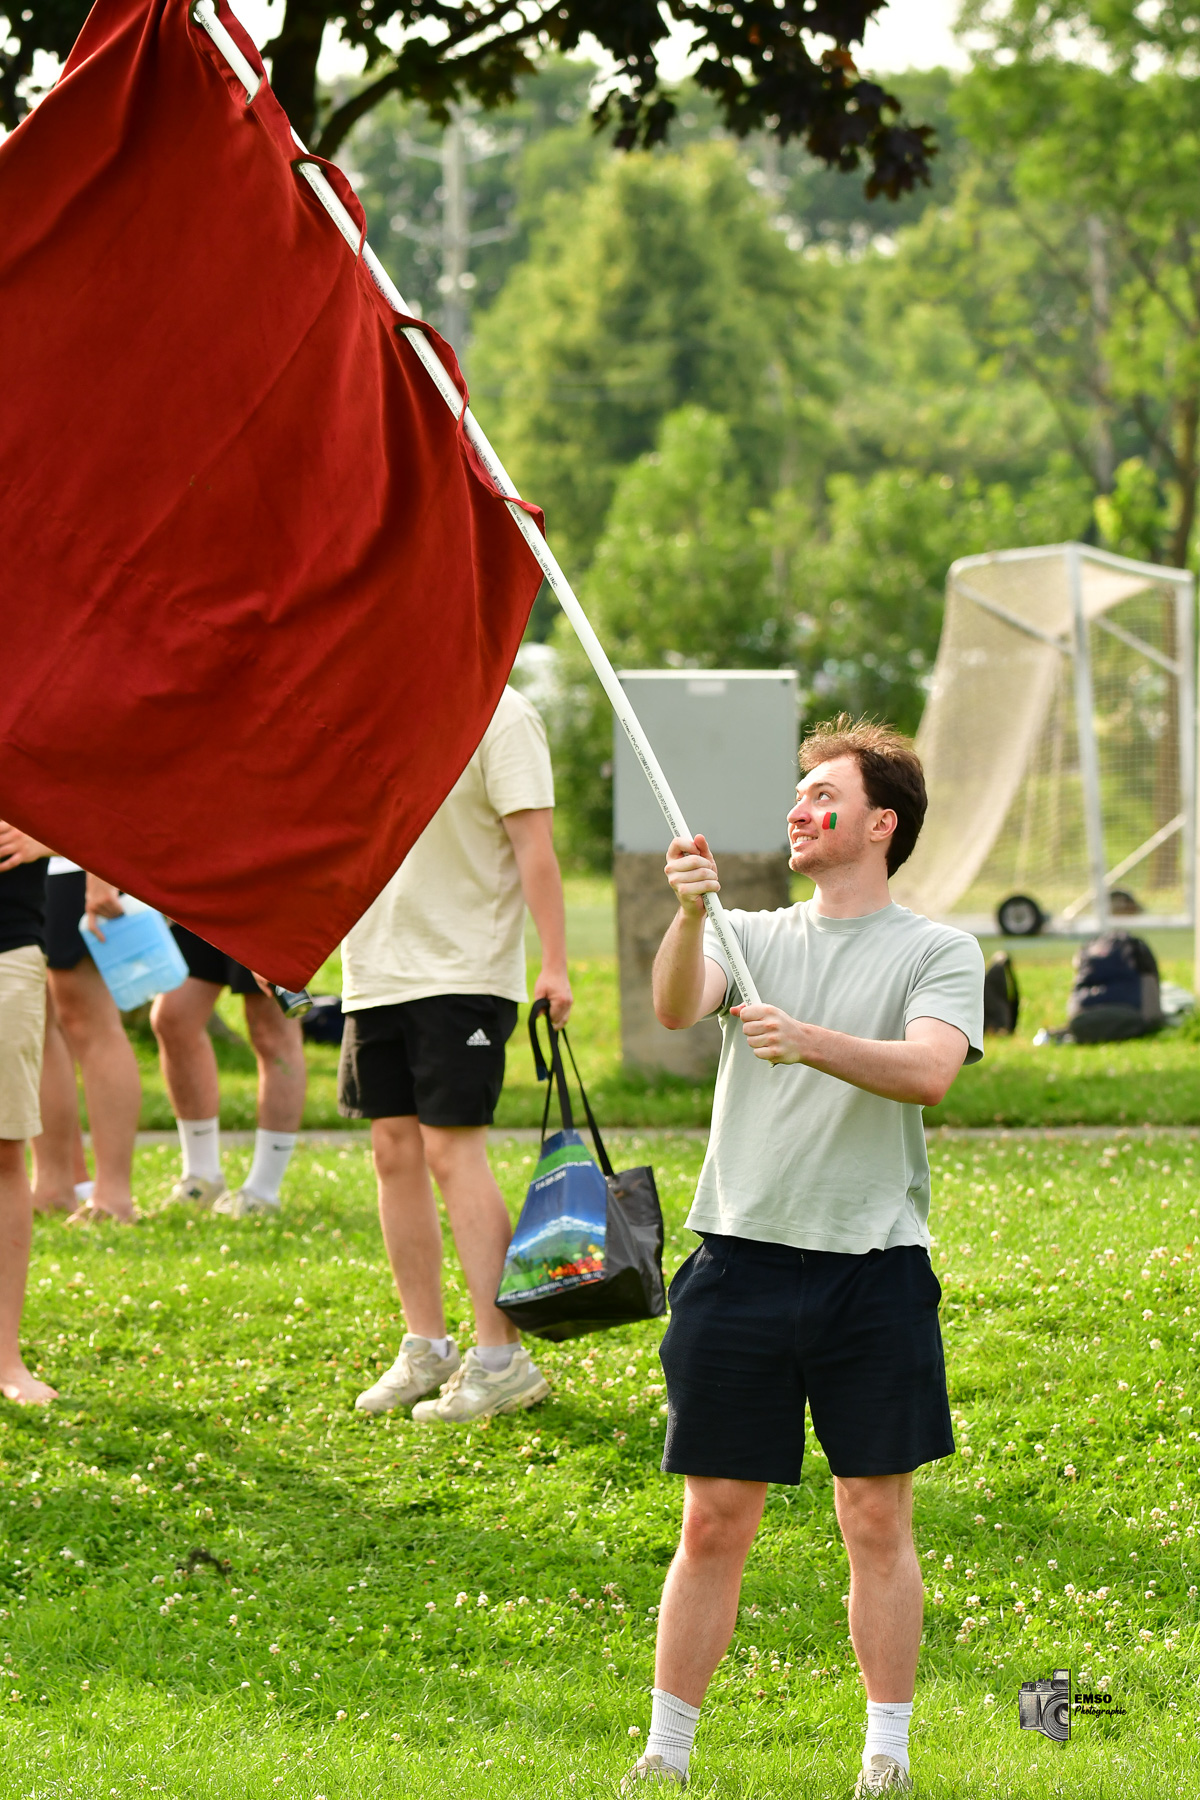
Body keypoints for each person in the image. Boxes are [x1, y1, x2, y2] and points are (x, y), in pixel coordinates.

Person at [623, 717, 984, 1798]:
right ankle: (669, 1751)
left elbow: (928, 1073)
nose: (798, 807)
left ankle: (886, 1755)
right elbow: (678, 1002)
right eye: (795, 791)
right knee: (711, 1519)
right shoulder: (751, 934)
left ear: (880, 822)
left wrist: (809, 1040)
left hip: (872, 1271)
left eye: (822, 792)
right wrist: (692, 914)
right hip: (737, 1264)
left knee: (876, 1517)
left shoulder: (937, 951)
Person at [342, 684, 572, 1426]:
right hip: (372, 969)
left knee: (451, 1154)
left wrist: (555, 964)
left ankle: (502, 1360)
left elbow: (534, 845)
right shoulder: (364, 707)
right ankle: (427, 1346)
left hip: (464, 973)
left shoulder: (500, 713)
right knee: (392, 1151)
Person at [150, 928, 305, 1217]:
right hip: (213, 889)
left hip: (273, 895)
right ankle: (202, 1177)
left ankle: (263, 1191)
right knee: (174, 1016)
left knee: (271, 1029)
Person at [31, 859, 141, 1224]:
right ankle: (52, 1186)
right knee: (33, 1022)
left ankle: (114, 1196)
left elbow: (107, 799)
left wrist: (101, 876)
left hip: (75, 863)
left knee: (88, 1019)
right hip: (23, 869)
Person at [0, 820, 57, 1405]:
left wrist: (55, 837)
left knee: (3, 1147)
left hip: (6, 941)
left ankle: (4, 1359)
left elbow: (115, 789)